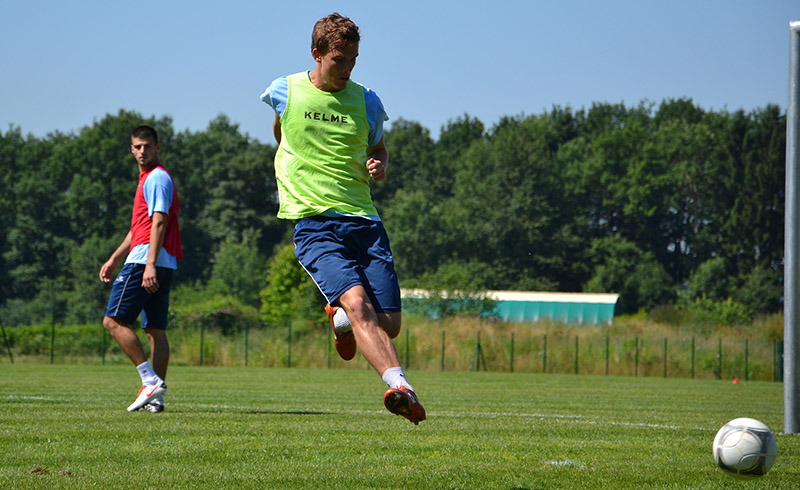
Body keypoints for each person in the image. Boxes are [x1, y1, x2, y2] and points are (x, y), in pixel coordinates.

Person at [260, 13, 425, 425]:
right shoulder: (284, 90)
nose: (347, 68)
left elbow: (379, 147)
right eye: (339, 60)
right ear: (316, 53)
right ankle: (401, 387)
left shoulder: (367, 101)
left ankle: (340, 321)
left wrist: (380, 164)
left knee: (390, 323)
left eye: (353, 60)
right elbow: (281, 132)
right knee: (357, 302)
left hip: (364, 221)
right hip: (315, 222)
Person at [100, 125, 182, 413]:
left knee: (113, 321)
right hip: (160, 260)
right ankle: (156, 399)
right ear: (131, 149)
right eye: (137, 146)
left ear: (157, 148)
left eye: (147, 146)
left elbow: (158, 222)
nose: (142, 151)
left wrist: (149, 265)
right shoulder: (147, 178)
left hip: (147, 260)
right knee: (155, 330)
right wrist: (114, 258)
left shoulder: (157, 177)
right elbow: (139, 228)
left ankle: (150, 381)